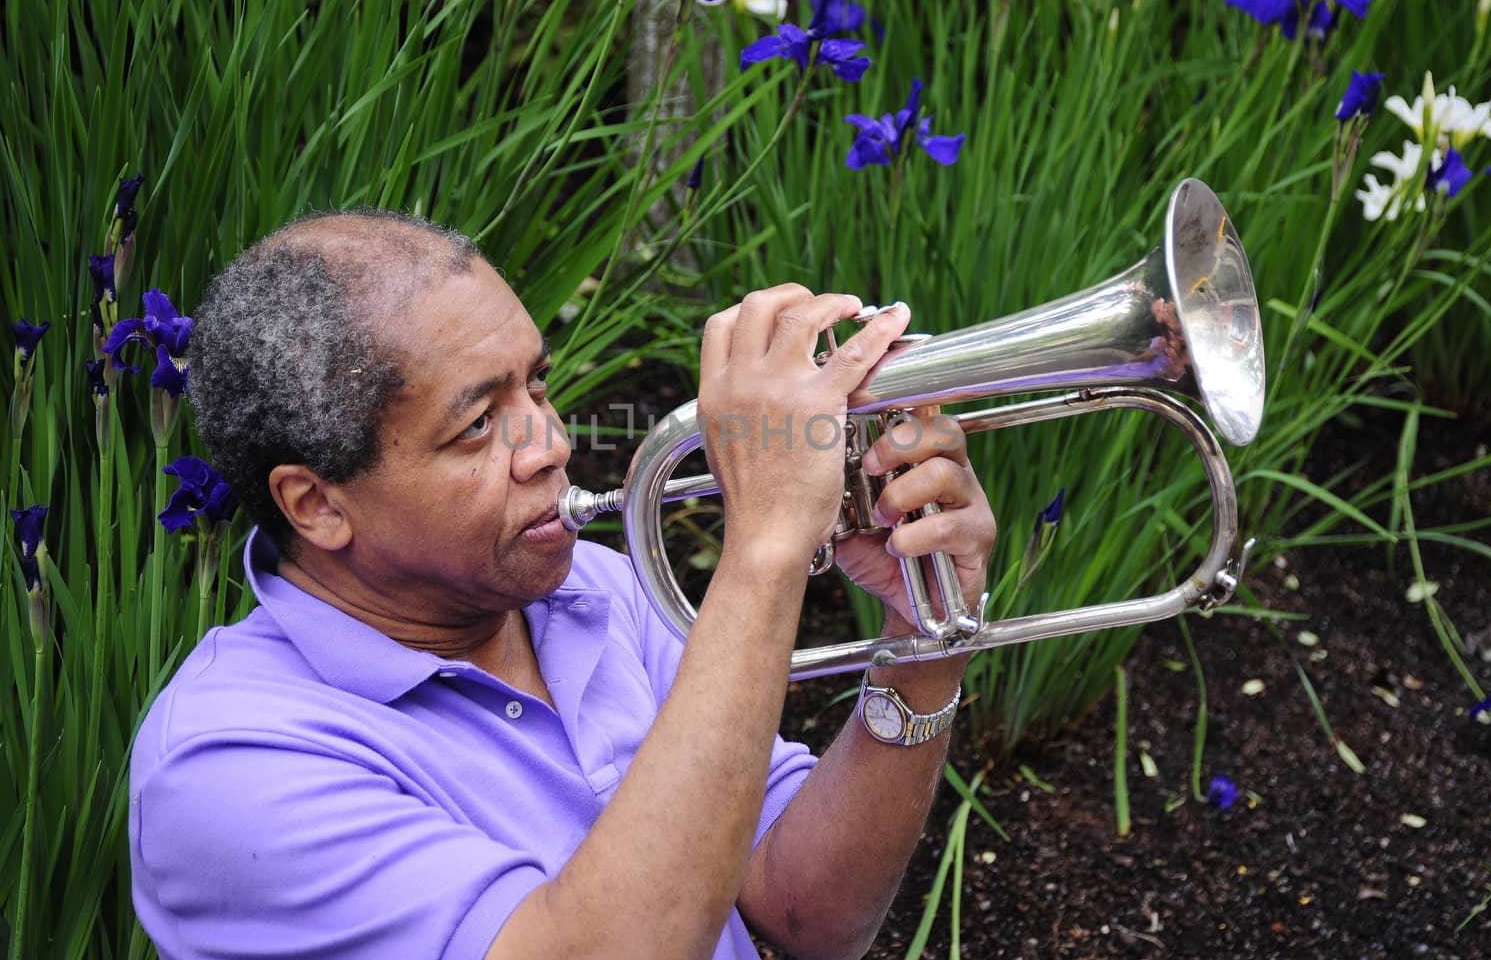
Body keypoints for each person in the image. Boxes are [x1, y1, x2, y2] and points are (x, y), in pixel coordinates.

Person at [129, 209, 997, 960]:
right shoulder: (227, 765)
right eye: (477, 426)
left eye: (536, 383)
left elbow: (811, 909)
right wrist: (764, 549)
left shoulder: (595, 586)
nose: (548, 442)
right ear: (316, 505)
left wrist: (921, 634)